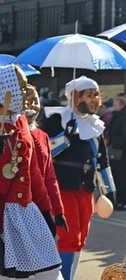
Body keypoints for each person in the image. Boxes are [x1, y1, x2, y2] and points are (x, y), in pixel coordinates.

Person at [41, 76, 116, 280]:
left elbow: (102, 161)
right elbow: (43, 152)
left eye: (96, 95)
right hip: (62, 188)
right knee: (68, 237)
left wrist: (109, 190)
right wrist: (65, 137)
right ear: (74, 96)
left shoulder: (95, 125)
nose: (95, 100)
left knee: (80, 239)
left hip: (86, 190)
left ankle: (69, 275)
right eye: (89, 95)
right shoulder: (57, 119)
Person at [0, 65, 62, 280]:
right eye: (21, 85)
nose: (25, 90)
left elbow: (33, 172)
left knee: (49, 272)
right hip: (2, 217)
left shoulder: (21, 121)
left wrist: (46, 211)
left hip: (25, 213)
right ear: (6, 89)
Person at [24, 84, 67, 236]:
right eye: (25, 101)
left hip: (41, 205)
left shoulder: (43, 136)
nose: (31, 106)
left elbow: (49, 176)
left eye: (34, 101)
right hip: (18, 205)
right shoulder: (10, 134)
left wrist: (58, 210)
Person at [107, 94, 126, 210]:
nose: (113, 107)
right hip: (116, 150)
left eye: (115, 104)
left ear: (121, 105)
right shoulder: (118, 116)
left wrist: (116, 144)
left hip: (123, 153)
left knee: (124, 177)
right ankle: (119, 200)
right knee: (117, 176)